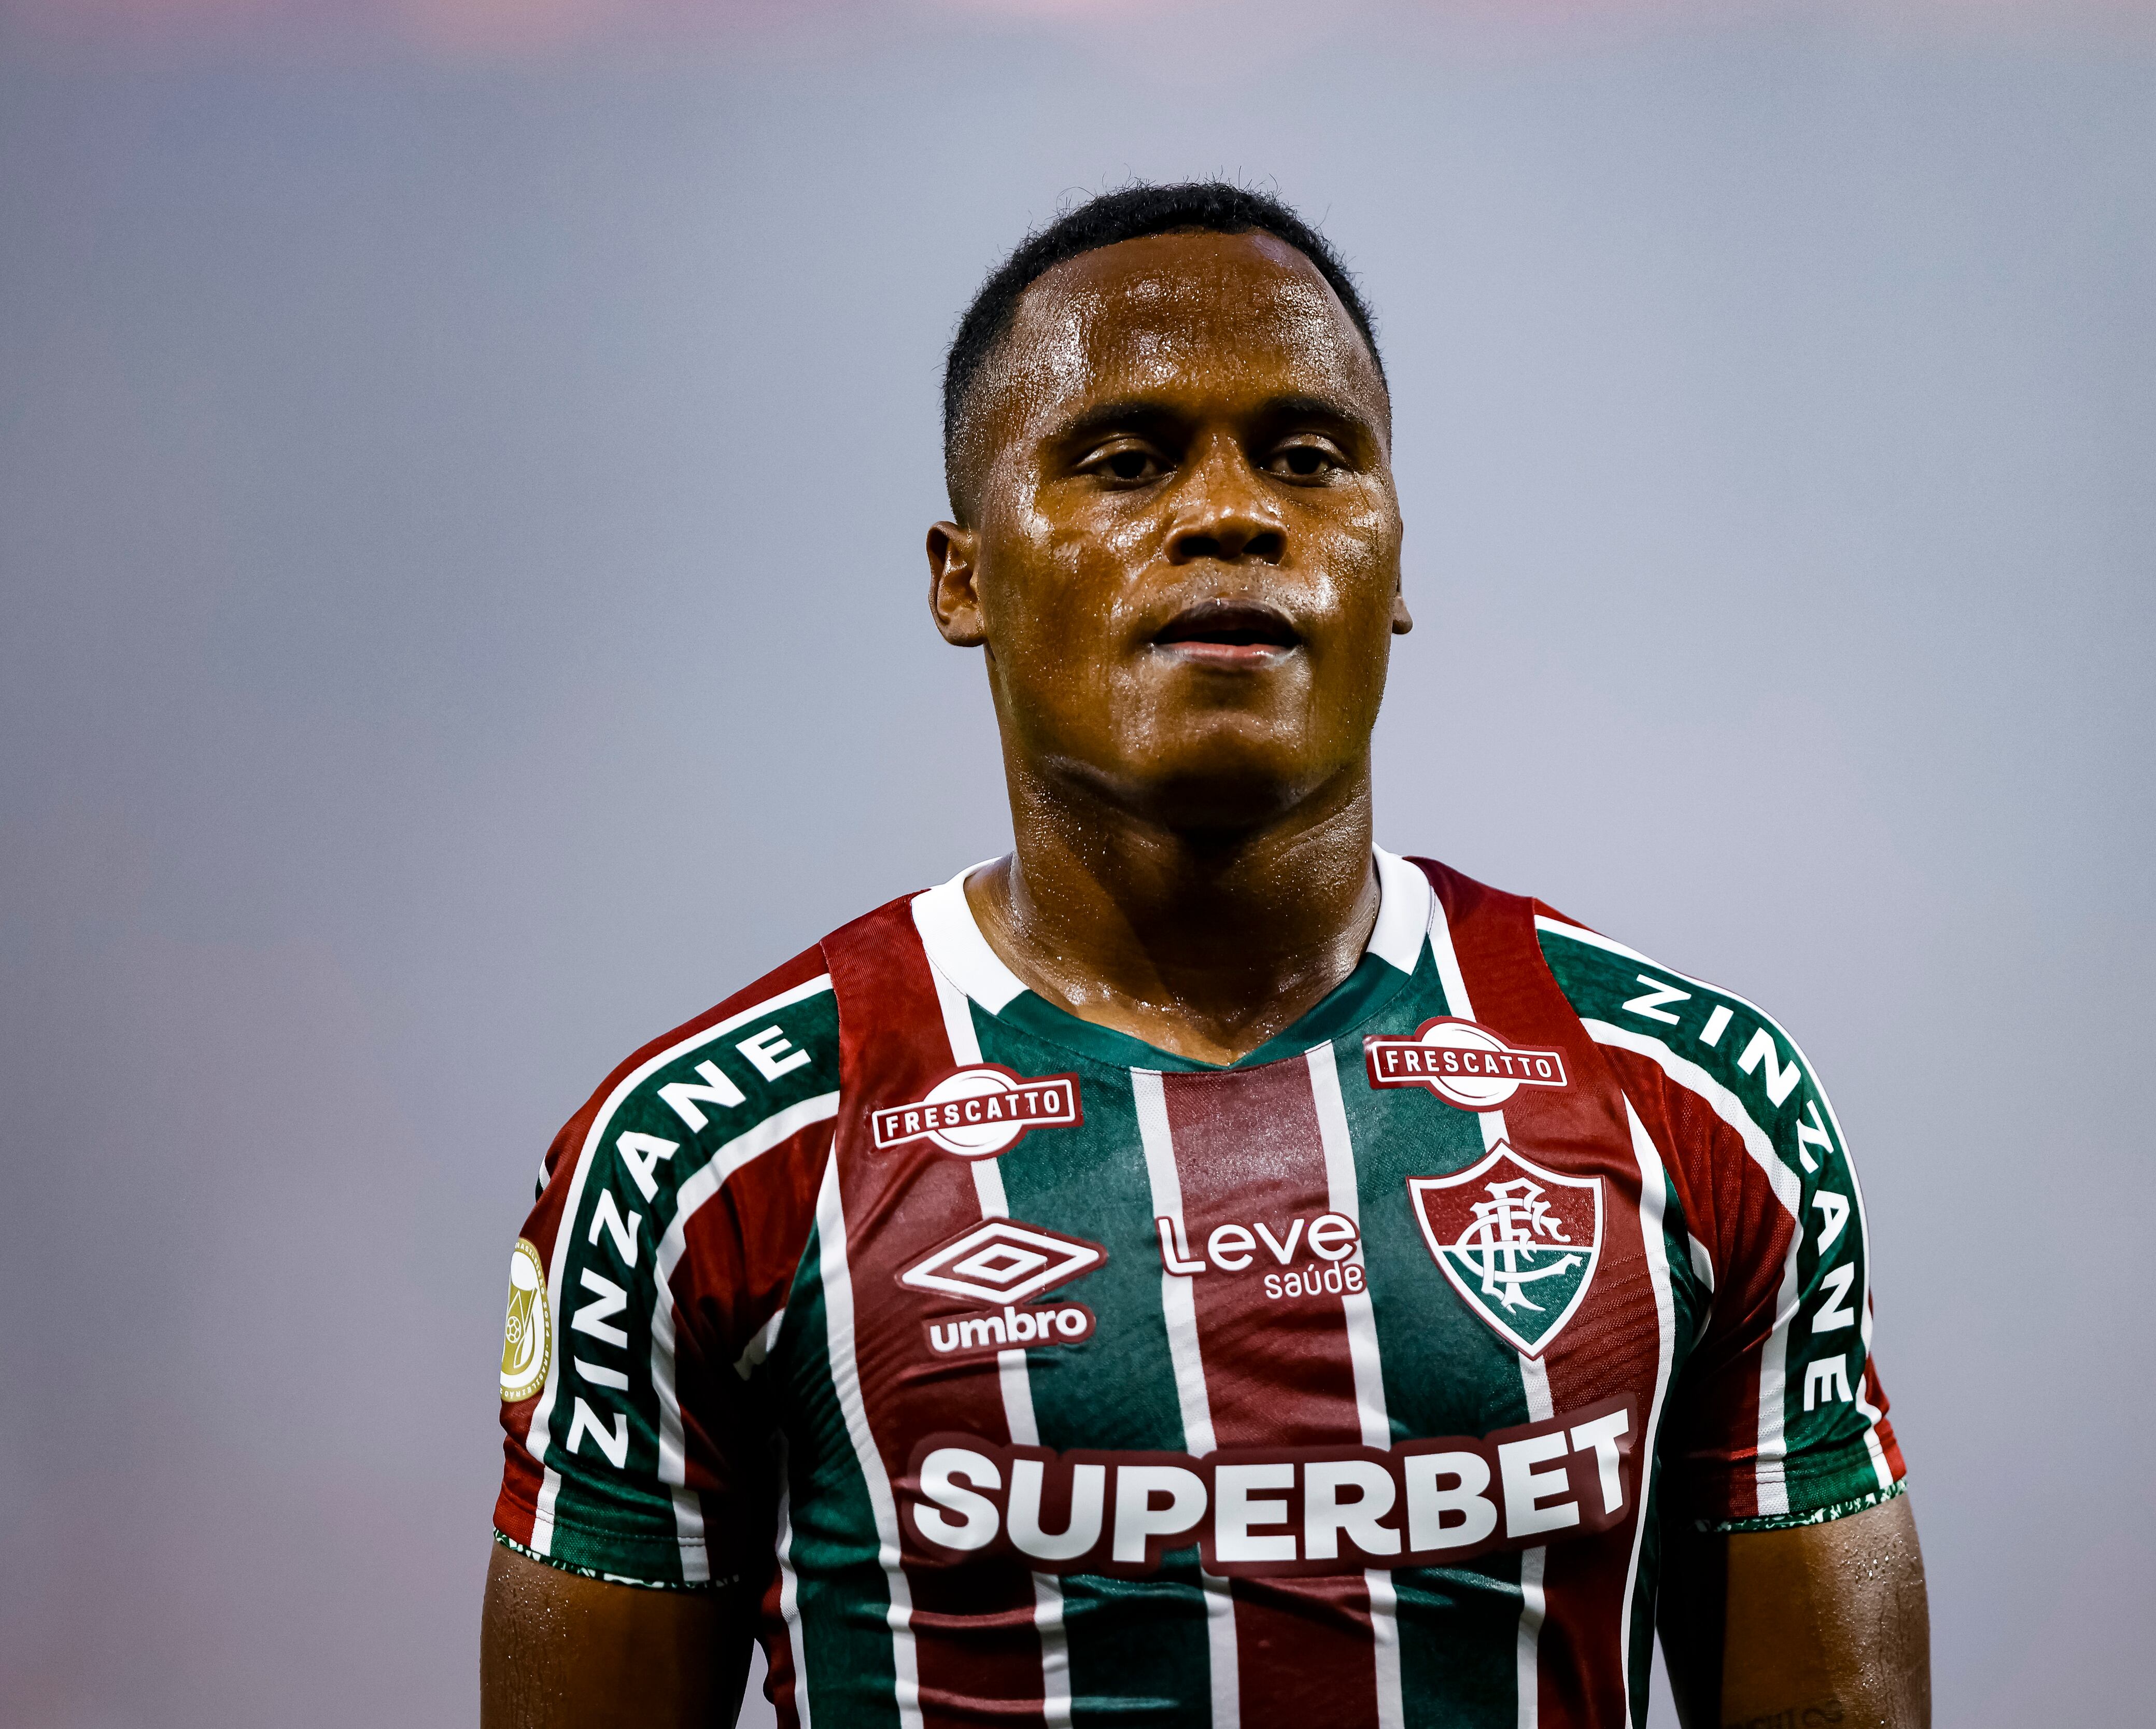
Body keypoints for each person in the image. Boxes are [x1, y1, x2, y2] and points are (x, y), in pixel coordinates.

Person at [481, 181, 1927, 1729]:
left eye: (1310, 460)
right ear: (961, 576)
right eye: (1129, 459)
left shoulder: (1694, 1101)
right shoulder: (705, 1155)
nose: (1238, 512)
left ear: (1396, 560)